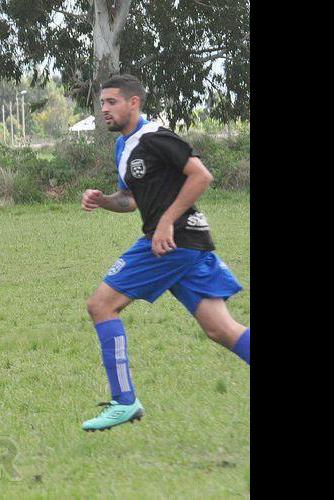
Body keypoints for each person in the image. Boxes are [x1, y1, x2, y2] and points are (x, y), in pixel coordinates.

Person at [79, 75, 250, 432]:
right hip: (185, 243)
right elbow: (132, 199)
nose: (104, 109)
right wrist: (105, 200)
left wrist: (166, 222)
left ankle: (124, 401)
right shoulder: (123, 147)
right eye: (103, 103)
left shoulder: (155, 136)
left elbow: (201, 175)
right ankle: (125, 401)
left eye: (112, 102)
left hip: (173, 242)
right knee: (222, 330)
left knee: (101, 305)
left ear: (134, 103)